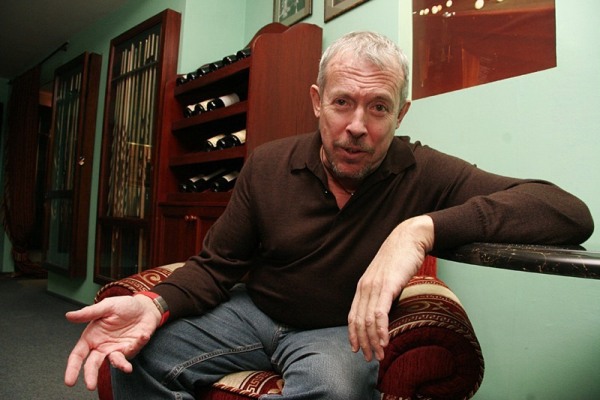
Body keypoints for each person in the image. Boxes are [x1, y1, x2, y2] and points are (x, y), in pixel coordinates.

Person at [64, 31, 594, 399]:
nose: (357, 126)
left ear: (401, 113)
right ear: (317, 101)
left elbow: (566, 212)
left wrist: (419, 229)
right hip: (253, 312)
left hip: (338, 331)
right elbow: (216, 266)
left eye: (379, 106)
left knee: (335, 390)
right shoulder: (268, 163)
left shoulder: (425, 171)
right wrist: (154, 304)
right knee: (130, 354)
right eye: (342, 103)